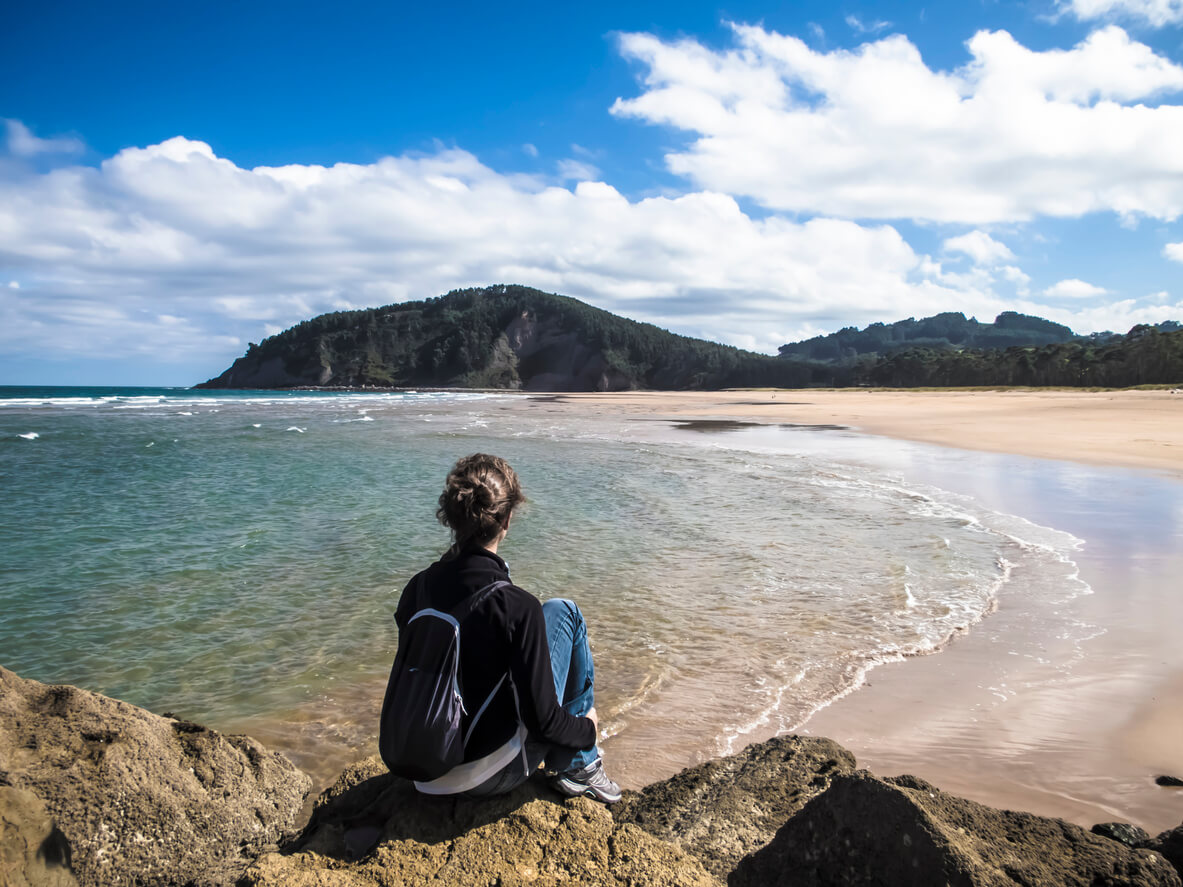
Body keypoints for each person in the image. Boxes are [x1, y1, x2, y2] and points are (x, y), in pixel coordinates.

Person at [392, 452, 621, 803]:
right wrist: (587, 728)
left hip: (424, 774)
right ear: (507, 519)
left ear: (451, 516)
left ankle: (578, 764)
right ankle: (581, 765)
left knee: (544, 621)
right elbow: (544, 722)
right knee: (565, 612)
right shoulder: (516, 606)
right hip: (487, 775)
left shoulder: (416, 589)